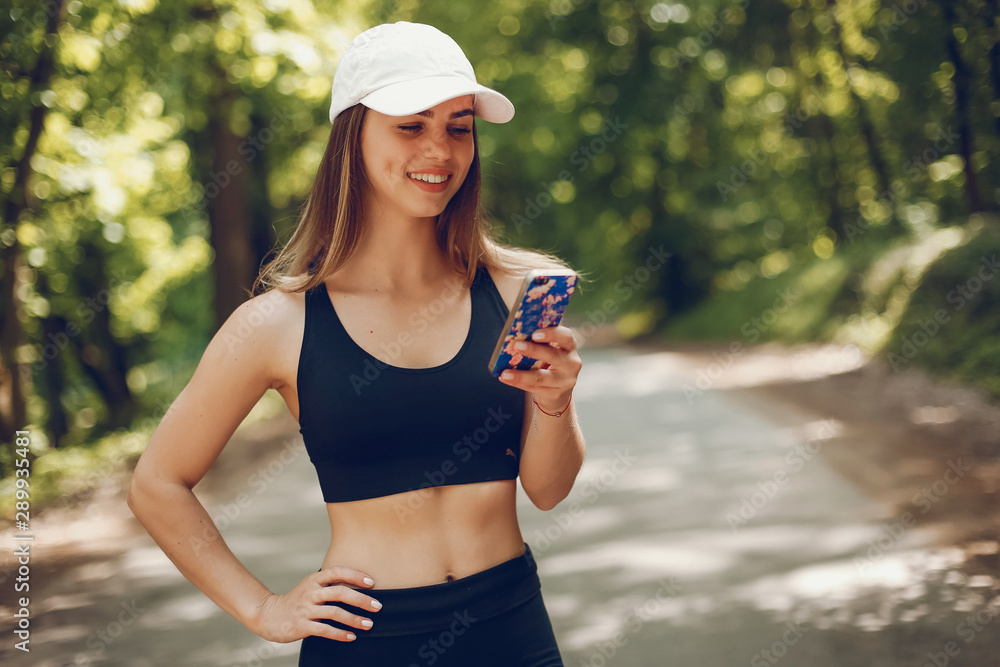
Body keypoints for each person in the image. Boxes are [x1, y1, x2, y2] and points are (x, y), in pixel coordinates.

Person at [127, 20, 588, 667]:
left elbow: (548, 488)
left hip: (512, 628)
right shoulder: (276, 324)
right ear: (353, 135)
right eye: (411, 124)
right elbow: (157, 482)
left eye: (459, 126)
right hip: (368, 643)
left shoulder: (514, 288)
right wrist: (263, 607)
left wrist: (555, 401)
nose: (441, 149)